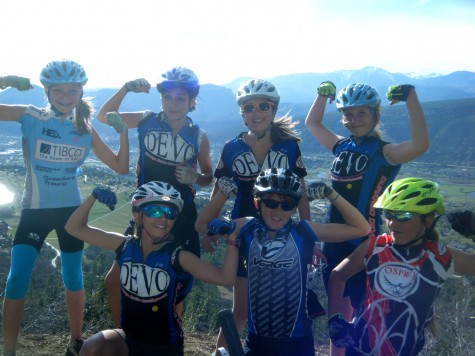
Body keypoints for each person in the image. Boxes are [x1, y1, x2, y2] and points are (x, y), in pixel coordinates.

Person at [0, 60, 129, 356]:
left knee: (73, 276)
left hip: (71, 212)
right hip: (35, 209)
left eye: (73, 90)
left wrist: (122, 132)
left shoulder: (84, 128)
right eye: (58, 90)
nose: (66, 96)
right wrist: (2, 82)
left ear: (81, 92)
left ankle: (76, 341)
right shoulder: (30, 116)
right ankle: (8, 350)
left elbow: (121, 166)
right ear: (47, 92)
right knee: (17, 277)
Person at [305, 81, 429, 354]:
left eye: (362, 113)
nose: (353, 119)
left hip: (365, 237)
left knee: (363, 307)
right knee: (337, 310)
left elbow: (420, 144)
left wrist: (411, 98)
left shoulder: (385, 152)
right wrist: (321, 95)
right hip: (333, 235)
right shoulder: (341, 146)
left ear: (375, 114)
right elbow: (312, 123)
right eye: (348, 114)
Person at [196, 168, 371, 356]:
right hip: (257, 341)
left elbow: (361, 228)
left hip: (298, 342)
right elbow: (201, 225)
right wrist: (222, 195)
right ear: (258, 203)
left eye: (287, 206)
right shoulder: (245, 227)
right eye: (271, 203)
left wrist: (332, 194)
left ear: (295, 208)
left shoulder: (303, 231)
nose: (278, 211)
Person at [96, 66, 213, 327]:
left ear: (192, 102)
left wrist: (195, 178)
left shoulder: (198, 136)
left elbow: (208, 176)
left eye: (180, 98)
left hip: (180, 218)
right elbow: (104, 116)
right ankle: (121, 337)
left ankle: (172, 344)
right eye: (168, 97)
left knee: (175, 286)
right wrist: (126, 87)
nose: (173, 104)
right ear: (160, 98)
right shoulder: (146, 119)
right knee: (115, 279)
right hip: (144, 215)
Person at [65, 181, 239, 355]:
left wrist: (232, 237)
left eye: (170, 213)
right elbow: (73, 228)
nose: (163, 218)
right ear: (138, 215)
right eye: (154, 211)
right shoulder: (125, 246)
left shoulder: (177, 257)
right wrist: (93, 196)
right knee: (92, 347)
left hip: (164, 347)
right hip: (128, 339)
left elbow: (226, 278)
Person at [204, 79, 312, 355]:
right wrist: (209, 230)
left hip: (283, 235)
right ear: (242, 112)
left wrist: (309, 235)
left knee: (277, 307)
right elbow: (220, 188)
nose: (256, 112)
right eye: (249, 107)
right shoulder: (231, 147)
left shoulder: (289, 146)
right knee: (240, 311)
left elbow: (300, 192)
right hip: (245, 235)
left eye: (263, 106)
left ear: (273, 109)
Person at [327, 177, 475, 355]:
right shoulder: (375, 246)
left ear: (427, 220)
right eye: (389, 214)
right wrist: (335, 318)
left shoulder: (440, 256)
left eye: (403, 216)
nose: (392, 223)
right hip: (358, 347)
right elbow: (338, 275)